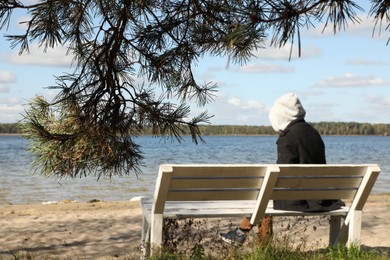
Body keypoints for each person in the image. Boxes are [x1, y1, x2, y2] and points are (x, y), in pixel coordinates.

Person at [219, 92, 344, 245]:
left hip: (302, 201)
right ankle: (241, 233)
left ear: (281, 116)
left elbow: (284, 174)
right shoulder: (314, 133)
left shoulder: (287, 138)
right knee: (266, 195)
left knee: (263, 198)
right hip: (323, 198)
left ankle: (253, 241)